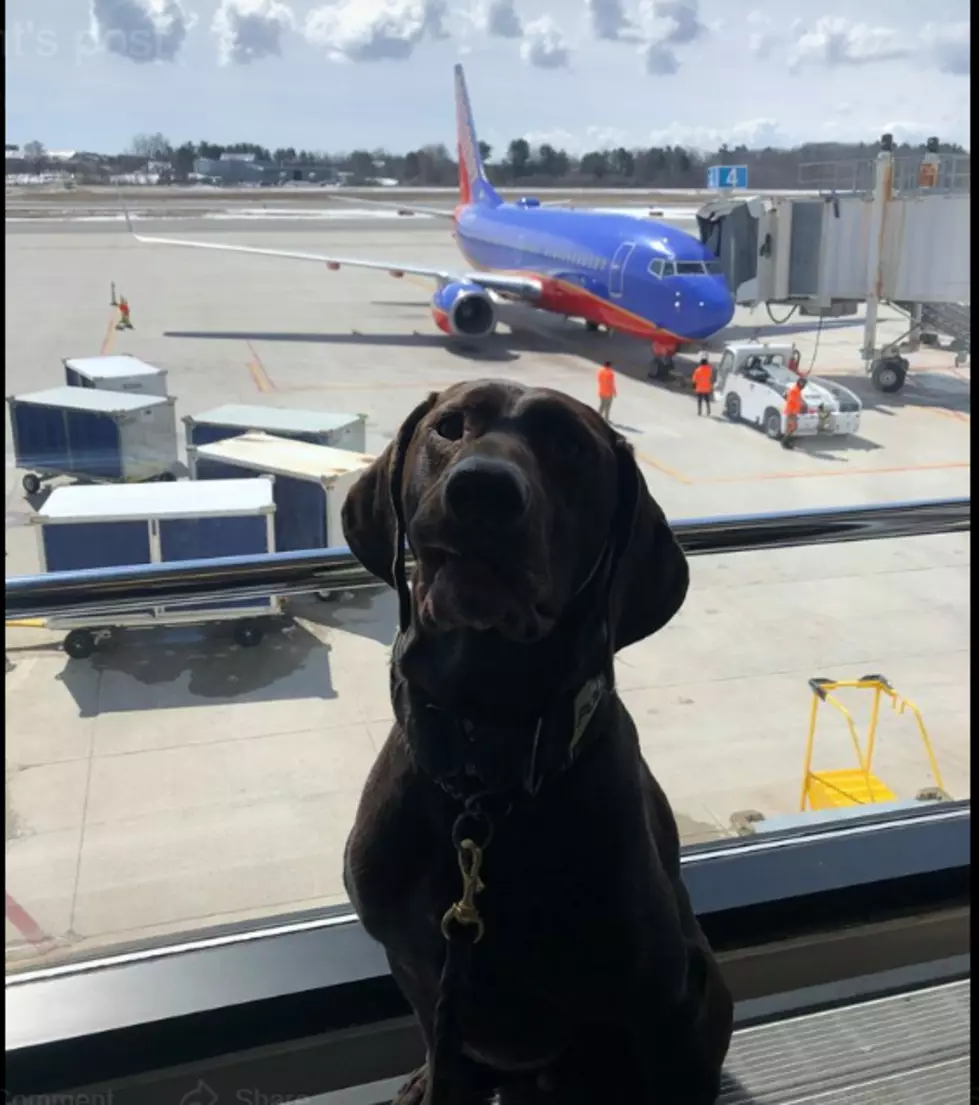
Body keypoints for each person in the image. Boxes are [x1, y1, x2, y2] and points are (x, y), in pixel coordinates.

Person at [782, 378, 806, 449]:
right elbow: (791, 402)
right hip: (791, 412)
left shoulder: (797, 390)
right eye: (802, 383)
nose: (803, 385)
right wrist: (793, 413)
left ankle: (787, 441)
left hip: (793, 412)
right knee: (792, 427)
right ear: (798, 382)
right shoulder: (794, 390)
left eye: (804, 384)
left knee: (792, 427)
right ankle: (785, 442)